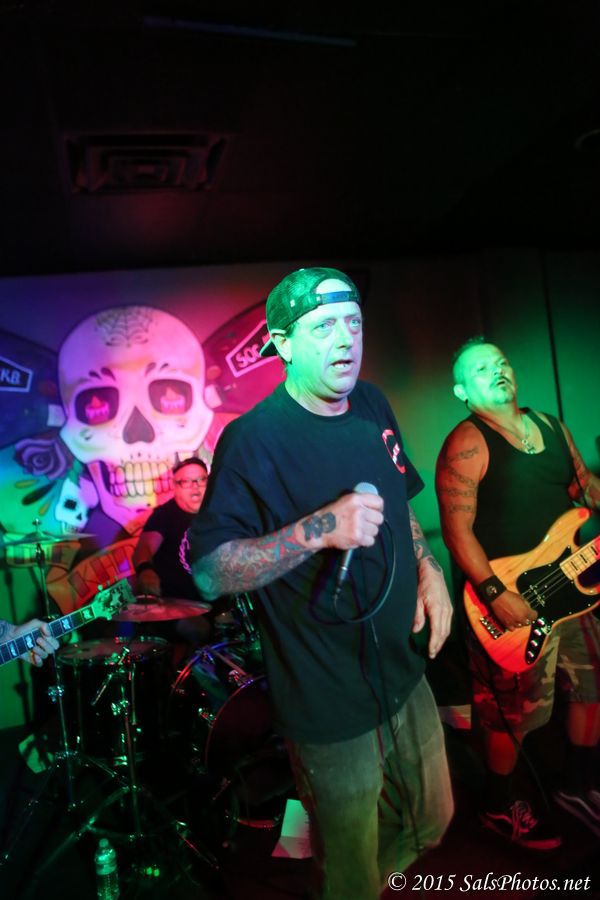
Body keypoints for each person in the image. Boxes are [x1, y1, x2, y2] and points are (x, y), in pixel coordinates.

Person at [188, 266, 454, 900]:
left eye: (353, 323)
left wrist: (429, 568)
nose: (346, 339)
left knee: (433, 822)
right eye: (324, 326)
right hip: (326, 698)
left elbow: (400, 501)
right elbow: (209, 571)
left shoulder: (373, 403)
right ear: (282, 343)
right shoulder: (251, 439)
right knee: (349, 869)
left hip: (403, 670)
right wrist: (319, 529)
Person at [435, 335, 600, 849]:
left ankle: (578, 786)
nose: (497, 370)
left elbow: (583, 489)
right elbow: (457, 531)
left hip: (574, 588)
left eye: (501, 362)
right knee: (515, 715)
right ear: (462, 391)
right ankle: (498, 805)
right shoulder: (467, 442)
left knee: (593, 688)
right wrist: (494, 593)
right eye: (481, 368)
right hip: (510, 597)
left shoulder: (551, 426)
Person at [132, 456, 214, 647]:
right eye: (186, 482)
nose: (195, 486)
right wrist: (145, 570)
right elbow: (144, 548)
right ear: (175, 486)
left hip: (216, 602)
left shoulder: (218, 512)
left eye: (201, 479)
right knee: (200, 630)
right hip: (176, 606)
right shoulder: (164, 515)